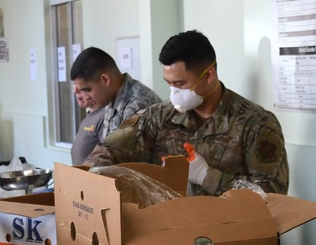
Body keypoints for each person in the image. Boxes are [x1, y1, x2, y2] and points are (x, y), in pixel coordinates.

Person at [86, 30, 289, 196]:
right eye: (169, 84)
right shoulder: (160, 117)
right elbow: (107, 151)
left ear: (208, 75)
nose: (174, 92)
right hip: (175, 230)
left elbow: (272, 194)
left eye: (180, 84)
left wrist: (207, 176)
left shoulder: (255, 123)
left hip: (233, 234)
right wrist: (92, 180)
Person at [70, 46, 160, 141]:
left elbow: (126, 154)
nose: (87, 97)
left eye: (88, 90)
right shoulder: (111, 99)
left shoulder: (138, 105)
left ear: (105, 80)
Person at [70, 88, 106, 165]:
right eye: (74, 84)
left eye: (81, 87)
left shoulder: (105, 117)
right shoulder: (88, 117)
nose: (75, 90)